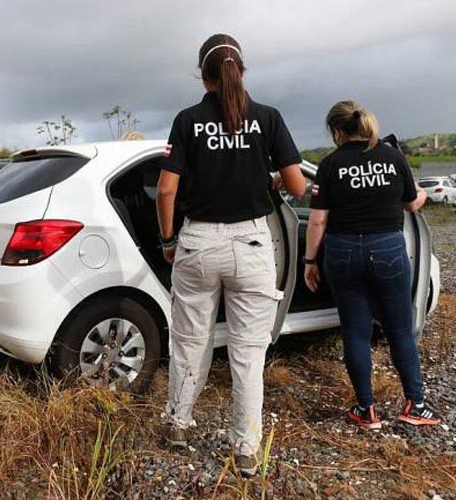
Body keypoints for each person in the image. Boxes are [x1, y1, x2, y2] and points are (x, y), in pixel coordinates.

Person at [156, 33, 306, 477]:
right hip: (253, 245)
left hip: (198, 243)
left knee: (189, 341)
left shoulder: (187, 120)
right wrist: (269, 181)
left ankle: (178, 425)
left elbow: (166, 189)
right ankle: (245, 450)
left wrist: (168, 241)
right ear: (241, 72)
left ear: (203, 77)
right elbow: (297, 186)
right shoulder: (268, 118)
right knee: (247, 354)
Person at [304, 101, 442, 430]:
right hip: (388, 248)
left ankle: (366, 410)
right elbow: (411, 202)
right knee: (399, 329)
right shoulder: (392, 157)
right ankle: (416, 404)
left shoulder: (331, 164)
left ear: (337, 132)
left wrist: (310, 260)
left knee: (355, 332)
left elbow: (317, 221)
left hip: (342, 251)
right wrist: (422, 194)